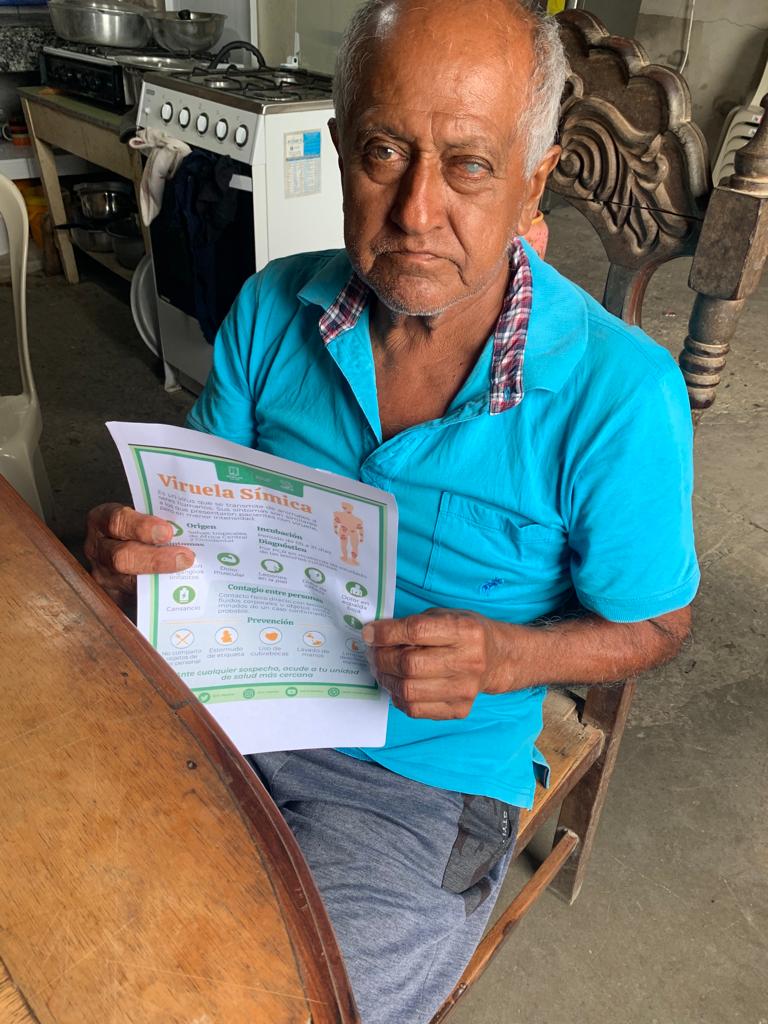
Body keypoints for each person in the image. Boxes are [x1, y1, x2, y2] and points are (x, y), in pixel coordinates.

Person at [85, 1, 699, 1021]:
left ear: (533, 182)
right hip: (216, 700)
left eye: (470, 165)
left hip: (415, 786)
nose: (416, 211)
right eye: (383, 152)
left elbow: (660, 626)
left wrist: (507, 657)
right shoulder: (273, 307)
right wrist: (130, 553)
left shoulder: (620, 395)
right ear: (339, 152)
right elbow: (193, 519)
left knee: (274, 1006)